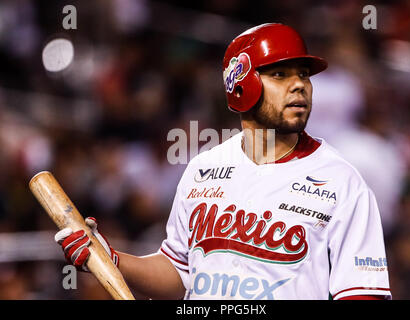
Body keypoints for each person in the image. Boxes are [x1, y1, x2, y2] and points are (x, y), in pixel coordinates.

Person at [55, 23, 392, 300]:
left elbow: (363, 293)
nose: (299, 86)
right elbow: (179, 274)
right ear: (240, 84)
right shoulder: (203, 169)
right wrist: (113, 260)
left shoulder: (341, 180)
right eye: (280, 75)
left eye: (303, 75)